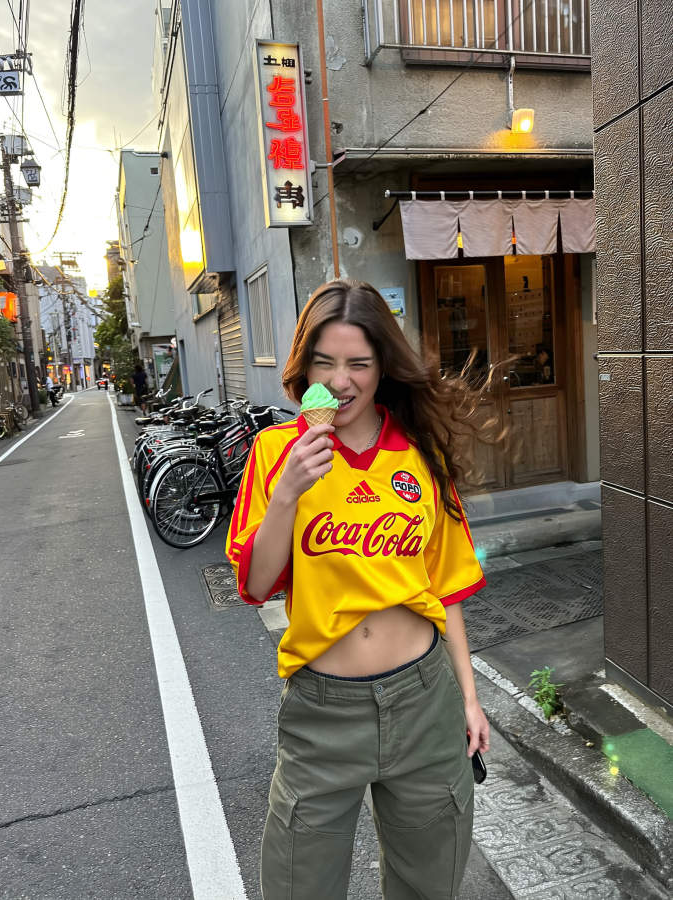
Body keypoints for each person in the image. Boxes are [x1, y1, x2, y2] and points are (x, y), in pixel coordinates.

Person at [226, 280, 490, 900]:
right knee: (299, 885)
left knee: (429, 886)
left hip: (424, 700)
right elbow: (256, 585)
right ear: (305, 368)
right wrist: (288, 493)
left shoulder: (421, 454)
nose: (340, 381)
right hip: (324, 711)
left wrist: (469, 700)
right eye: (324, 362)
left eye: (359, 364)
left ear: (383, 368)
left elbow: (445, 589)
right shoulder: (277, 452)